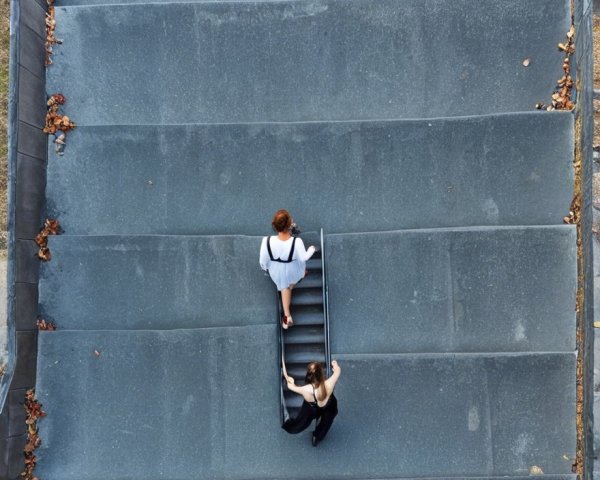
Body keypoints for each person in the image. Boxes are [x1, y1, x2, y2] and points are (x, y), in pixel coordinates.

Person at [259, 209, 316, 329]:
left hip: (276, 272)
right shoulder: (297, 242)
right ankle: (287, 314)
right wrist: (312, 248)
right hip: (293, 271)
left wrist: (268, 268)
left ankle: (287, 316)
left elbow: (263, 263)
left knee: (284, 285)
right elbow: (304, 257)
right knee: (288, 285)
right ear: (289, 224)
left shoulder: (267, 241)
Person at [282, 359, 341, 446]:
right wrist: (334, 364)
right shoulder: (329, 383)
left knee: (303, 418)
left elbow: (290, 386)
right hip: (329, 405)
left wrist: (291, 381)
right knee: (327, 422)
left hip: (312, 408)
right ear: (321, 374)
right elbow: (337, 370)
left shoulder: (306, 389)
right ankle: (317, 437)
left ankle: (293, 426)